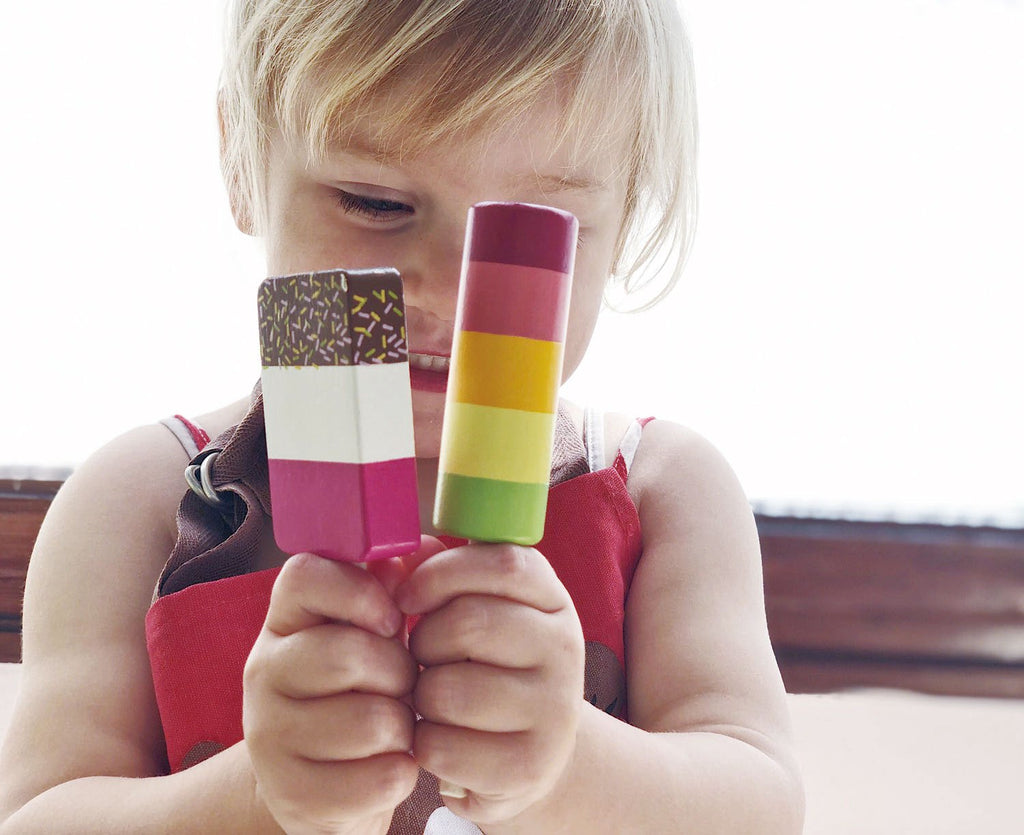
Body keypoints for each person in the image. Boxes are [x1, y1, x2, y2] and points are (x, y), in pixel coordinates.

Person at [0, 1, 804, 832]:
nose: (450, 292)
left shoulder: (664, 495)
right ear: (242, 163)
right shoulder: (142, 503)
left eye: (534, 229)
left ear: (624, 215)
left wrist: (569, 765)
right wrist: (257, 793)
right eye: (373, 202)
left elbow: (760, 802)